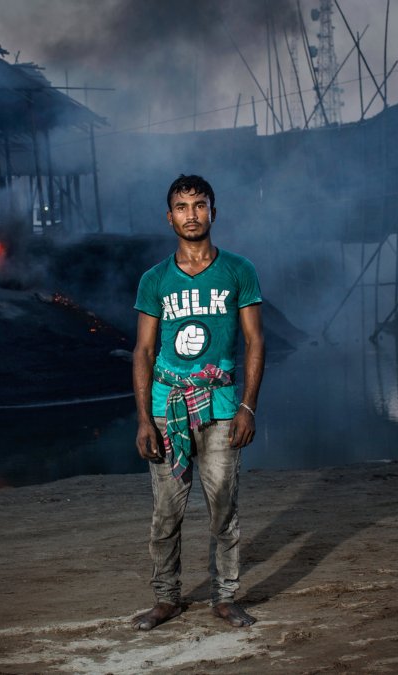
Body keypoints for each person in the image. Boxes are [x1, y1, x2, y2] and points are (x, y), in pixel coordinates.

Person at [131, 174, 265, 630]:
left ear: (213, 211)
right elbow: (144, 352)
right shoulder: (155, 279)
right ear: (169, 217)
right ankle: (166, 598)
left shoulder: (239, 270)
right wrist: (144, 420)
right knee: (166, 513)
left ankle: (225, 598)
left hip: (223, 408)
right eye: (182, 207)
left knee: (223, 509)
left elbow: (254, 341)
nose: (192, 214)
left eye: (200, 205)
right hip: (169, 410)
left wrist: (247, 407)